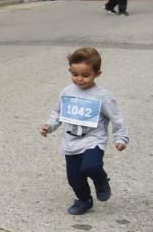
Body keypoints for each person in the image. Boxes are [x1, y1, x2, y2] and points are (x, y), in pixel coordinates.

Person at [40, 47, 128, 216]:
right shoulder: (67, 91)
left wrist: (121, 138)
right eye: (75, 74)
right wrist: (49, 126)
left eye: (85, 75)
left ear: (97, 74)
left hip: (93, 140)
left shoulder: (102, 96)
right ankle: (84, 200)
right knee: (74, 177)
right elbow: (58, 112)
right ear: (70, 71)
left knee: (91, 166)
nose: (79, 79)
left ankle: (101, 180)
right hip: (71, 142)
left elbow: (117, 118)